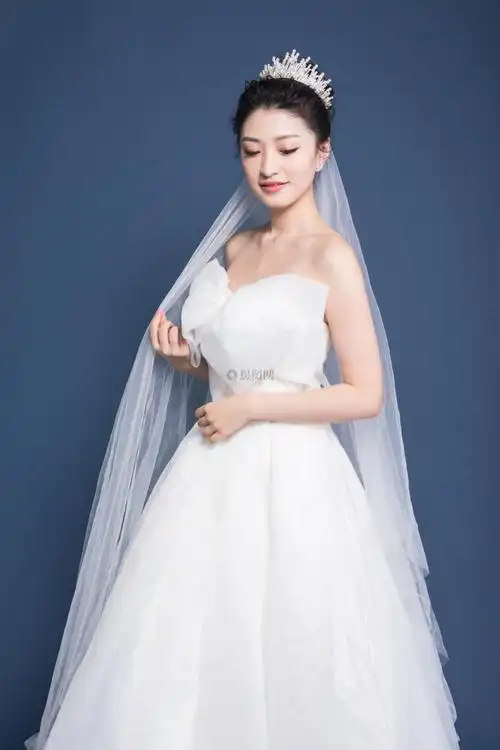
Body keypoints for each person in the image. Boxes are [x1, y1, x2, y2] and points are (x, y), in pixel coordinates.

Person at [26, 50, 460, 749]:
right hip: (212, 470)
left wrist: (250, 409)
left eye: (287, 148)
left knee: (299, 641)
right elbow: (244, 371)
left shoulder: (331, 257)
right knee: (190, 642)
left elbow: (364, 394)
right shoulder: (237, 249)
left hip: (297, 481)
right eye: (252, 150)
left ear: (321, 153)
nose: (268, 166)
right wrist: (189, 363)